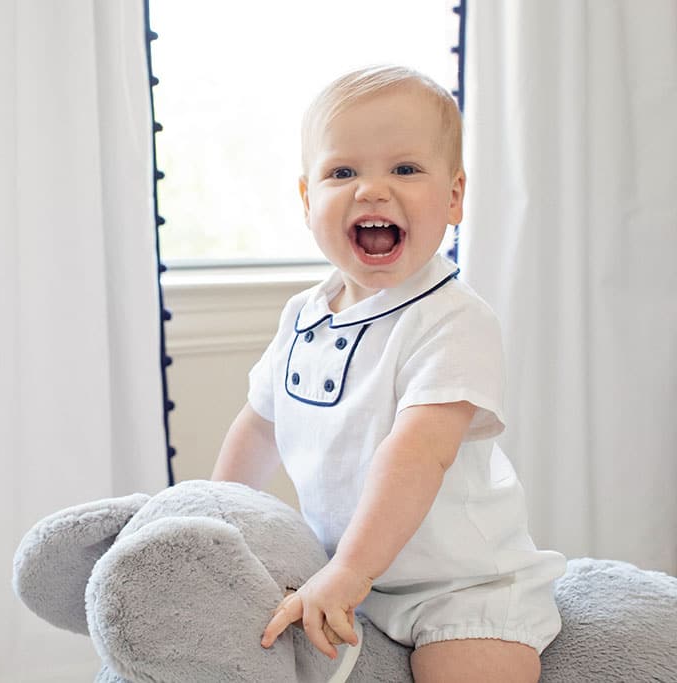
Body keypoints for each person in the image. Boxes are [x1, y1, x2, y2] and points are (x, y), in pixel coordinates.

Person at [211, 65, 566, 683]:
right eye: (343, 172)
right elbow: (258, 427)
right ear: (306, 200)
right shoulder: (301, 316)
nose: (372, 190)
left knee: (469, 668)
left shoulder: (453, 320)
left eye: (404, 169)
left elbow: (417, 453)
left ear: (454, 197)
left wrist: (352, 568)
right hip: (341, 567)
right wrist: (213, 514)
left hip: (458, 583)